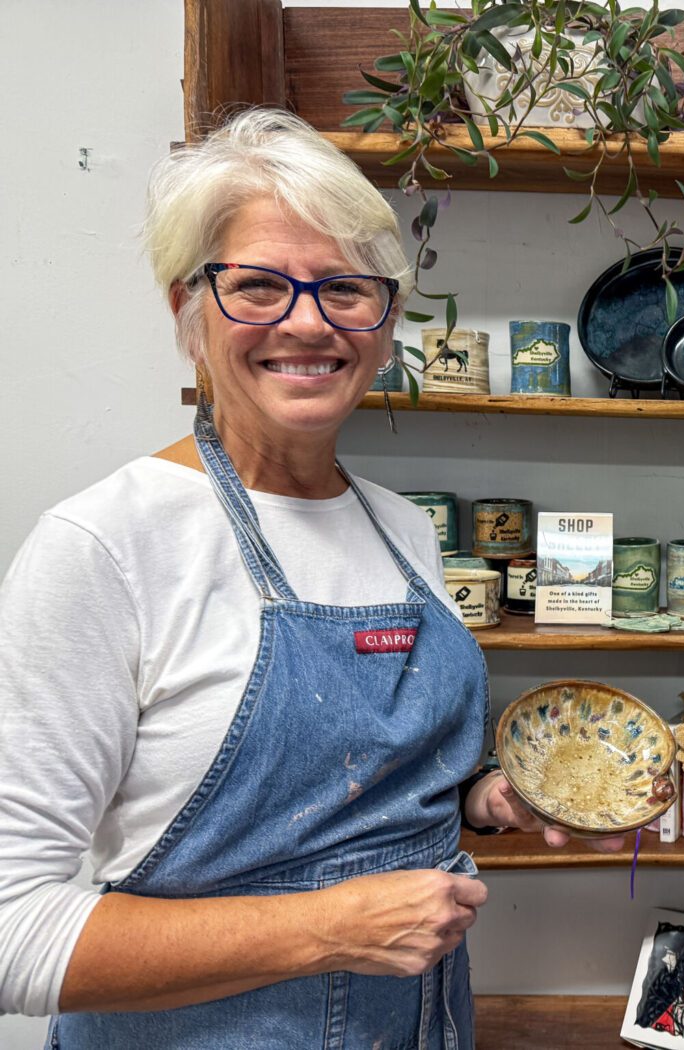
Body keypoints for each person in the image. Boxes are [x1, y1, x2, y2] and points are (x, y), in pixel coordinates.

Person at [0, 108, 615, 1047]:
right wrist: (329, 930)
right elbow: (14, 933)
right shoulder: (106, 548)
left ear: (386, 319)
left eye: (345, 289)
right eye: (257, 286)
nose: (306, 322)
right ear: (187, 310)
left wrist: (485, 802)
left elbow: (360, 790)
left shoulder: (403, 528)